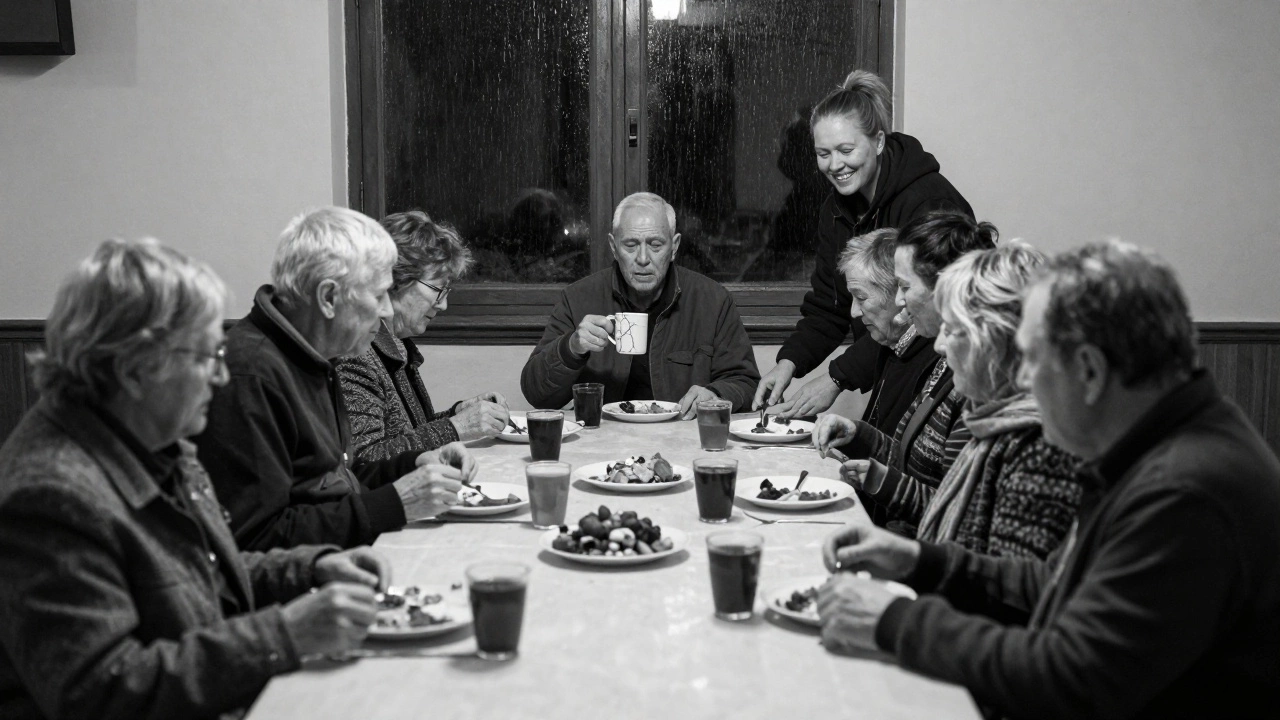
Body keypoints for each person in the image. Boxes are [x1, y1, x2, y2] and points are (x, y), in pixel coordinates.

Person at [817, 240, 1280, 719]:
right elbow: (1056, 581)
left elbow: (1070, 679)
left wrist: (895, 620)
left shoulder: (1185, 490)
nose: (1024, 381)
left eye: (1032, 358)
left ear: (1089, 371)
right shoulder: (1160, 443)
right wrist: (921, 560)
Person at [0, 240, 394, 719]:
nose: (221, 377)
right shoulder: (51, 494)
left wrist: (312, 568)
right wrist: (284, 633)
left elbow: (196, 572)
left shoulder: (153, 438)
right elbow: (100, 693)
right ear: (134, 368)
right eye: (206, 356)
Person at [196, 207, 477, 552]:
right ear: (329, 298)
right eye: (377, 296)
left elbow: (342, 476)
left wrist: (413, 463)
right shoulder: (251, 375)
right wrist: (396, 502)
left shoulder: (313, 352)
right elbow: (258, 541)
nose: (387, 311)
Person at [755, 68, 972, 420]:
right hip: (891, 363)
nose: (834, 165)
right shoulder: (834, 209)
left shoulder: (929, 203)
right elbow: (830, 305)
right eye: (823, 153)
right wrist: (788, 363)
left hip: (940, 369)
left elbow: (923, 315)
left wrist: (836, 378)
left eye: (845, 150)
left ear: (879, 142)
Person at [815, 211, 996, 533]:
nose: (900, 301)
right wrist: (860, 437)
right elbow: (911, 460)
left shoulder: (977, 383)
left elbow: (958, 519)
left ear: (942, 289)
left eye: (904, 287)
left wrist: (902, 552)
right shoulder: (944, 358)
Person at [521, 192, 760, 418]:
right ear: (614, 248)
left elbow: (746, 384)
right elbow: (536, 395)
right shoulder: (578, 298)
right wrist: (570, 348)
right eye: (631, 245)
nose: (643, 259)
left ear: (674, 247)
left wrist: (716, 394)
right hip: (604, 441)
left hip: (682, 438)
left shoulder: (712, 300)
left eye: (656, 245)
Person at [338, 211, 510, 461]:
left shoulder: (397, 343)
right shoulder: (356, 353)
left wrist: (459, 413)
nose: (443, 305)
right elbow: (367, 460)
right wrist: (457, 427)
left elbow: (411, 433)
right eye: (438, 290)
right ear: (396, 279)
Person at [835, 228, 938, 436]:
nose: (854, 312)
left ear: (898, 294)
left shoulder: (932, 361)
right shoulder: (892, 344)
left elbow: (909, 464)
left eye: (861, 298)